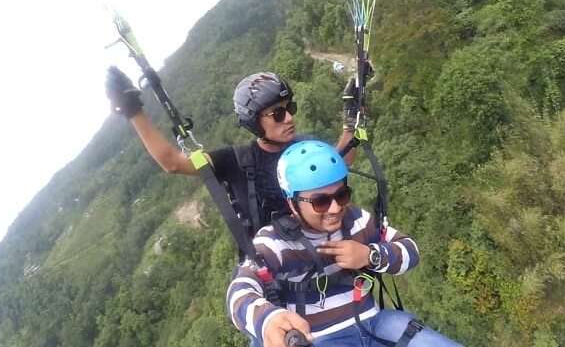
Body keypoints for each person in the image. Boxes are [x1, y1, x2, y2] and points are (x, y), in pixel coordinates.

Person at [226, 140, 463, 347]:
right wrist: (266, 320)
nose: (335, 208)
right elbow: (240, 290)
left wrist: (370, 255)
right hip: (321, 338)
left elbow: (410, 249)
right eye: (320, 201)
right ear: (292, 204)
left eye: (342, 195)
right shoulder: (274, 242)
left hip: (376, 323)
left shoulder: (356, 220)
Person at [105, 68, 357, 239]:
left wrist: (351, 119)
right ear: (254, 121)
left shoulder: (306, 145)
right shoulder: (235, 161)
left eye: (289, 108)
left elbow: (337, 166)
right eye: (278, 113)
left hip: (323, 251)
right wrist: (133, 111)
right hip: (278, 271)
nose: (289, 118)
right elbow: (173, 162)